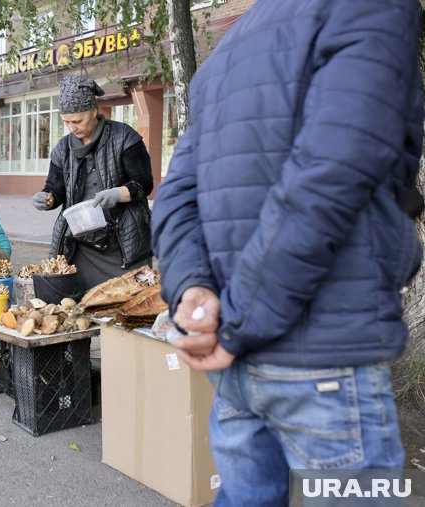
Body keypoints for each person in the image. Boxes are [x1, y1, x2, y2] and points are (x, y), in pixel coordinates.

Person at [150, 2, 422, 505]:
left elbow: (174, 195)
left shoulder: (227, 49)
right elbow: (329, 177)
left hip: (239, 362)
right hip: (320, 355)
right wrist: (232, 319)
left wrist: (193, 293)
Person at [31, 75, 154, 291]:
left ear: (94, 112)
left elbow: (144, 183)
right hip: (80, 243)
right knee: (84, 301)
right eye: (66, 122)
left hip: (123, 239)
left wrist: (118, 193)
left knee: (126, 299)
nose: (71, 128)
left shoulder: (124, 137)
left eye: (77, 121)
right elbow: (56, 189)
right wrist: (47, 198)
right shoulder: (62, 149)